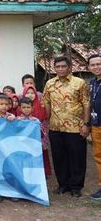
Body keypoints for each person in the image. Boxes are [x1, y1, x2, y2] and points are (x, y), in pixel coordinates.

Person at [43, 56, 90, 197]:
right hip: (55, 128)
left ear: (69, 67)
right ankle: (63, 185)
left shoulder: (79, 83)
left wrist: (86, 124)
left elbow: (86, 103)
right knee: (59, 157)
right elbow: (47, 103)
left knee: (77, 157)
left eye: (63, 66)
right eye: (58, 67)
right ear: (54, 68)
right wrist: (47, 122)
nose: (60, 69)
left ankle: (76, 187)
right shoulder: (50, 84)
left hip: (76, 127)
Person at [88, 54, 101, 200]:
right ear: (89, 67)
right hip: (96, 125)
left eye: (99, 64)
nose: (96, 67)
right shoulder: (92, 82)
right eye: (93, 65)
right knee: (98, 157)